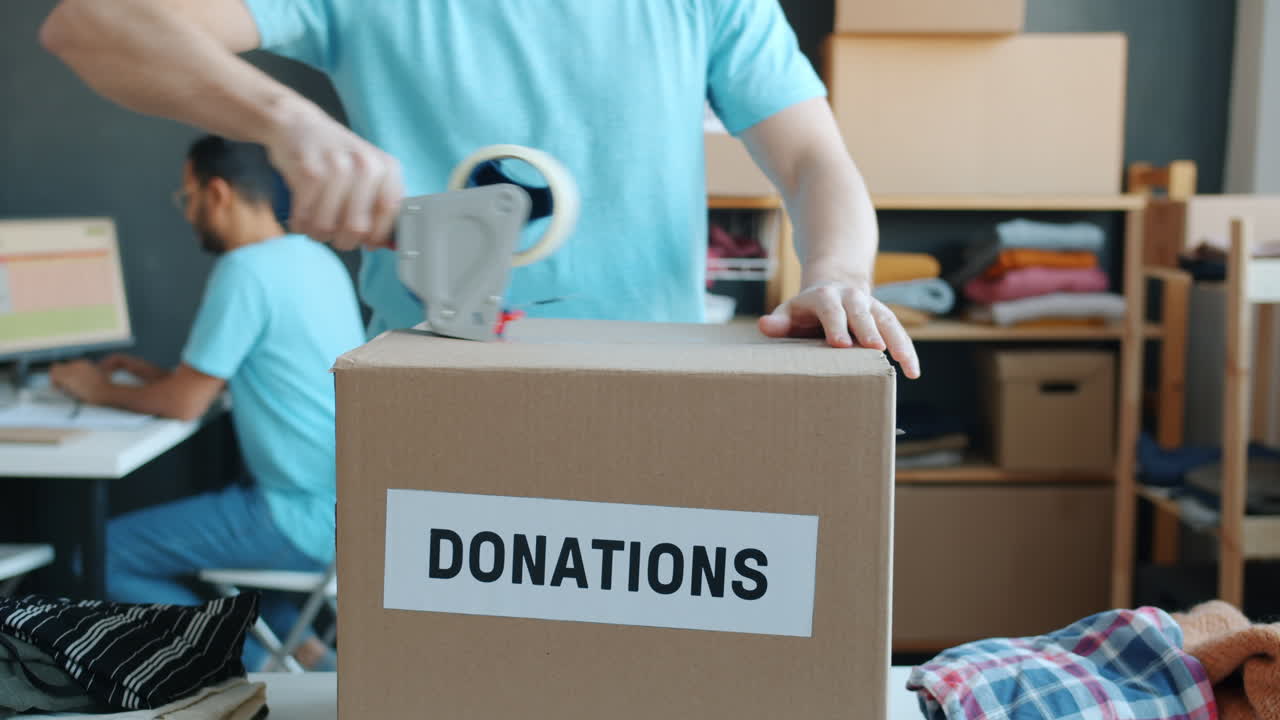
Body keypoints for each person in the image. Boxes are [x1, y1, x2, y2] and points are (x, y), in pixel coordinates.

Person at [39, 0, 921, 378]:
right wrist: (285, 119)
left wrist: (838, 274)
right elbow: (89, 25)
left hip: (657, 389)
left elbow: (815, 161)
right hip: (431, 395)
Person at [49, 136, 365, 671]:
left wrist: (94, 389)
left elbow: (184, 405)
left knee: (101, 555)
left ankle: (254, 665)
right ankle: (305, 655)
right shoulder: (314, 257)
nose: (187, 212)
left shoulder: (245, 270)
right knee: (228, 543)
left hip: (298, 516)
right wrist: (156, 378)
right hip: (345, 507)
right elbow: (234, 376)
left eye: (188, 197)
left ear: (217, 194)